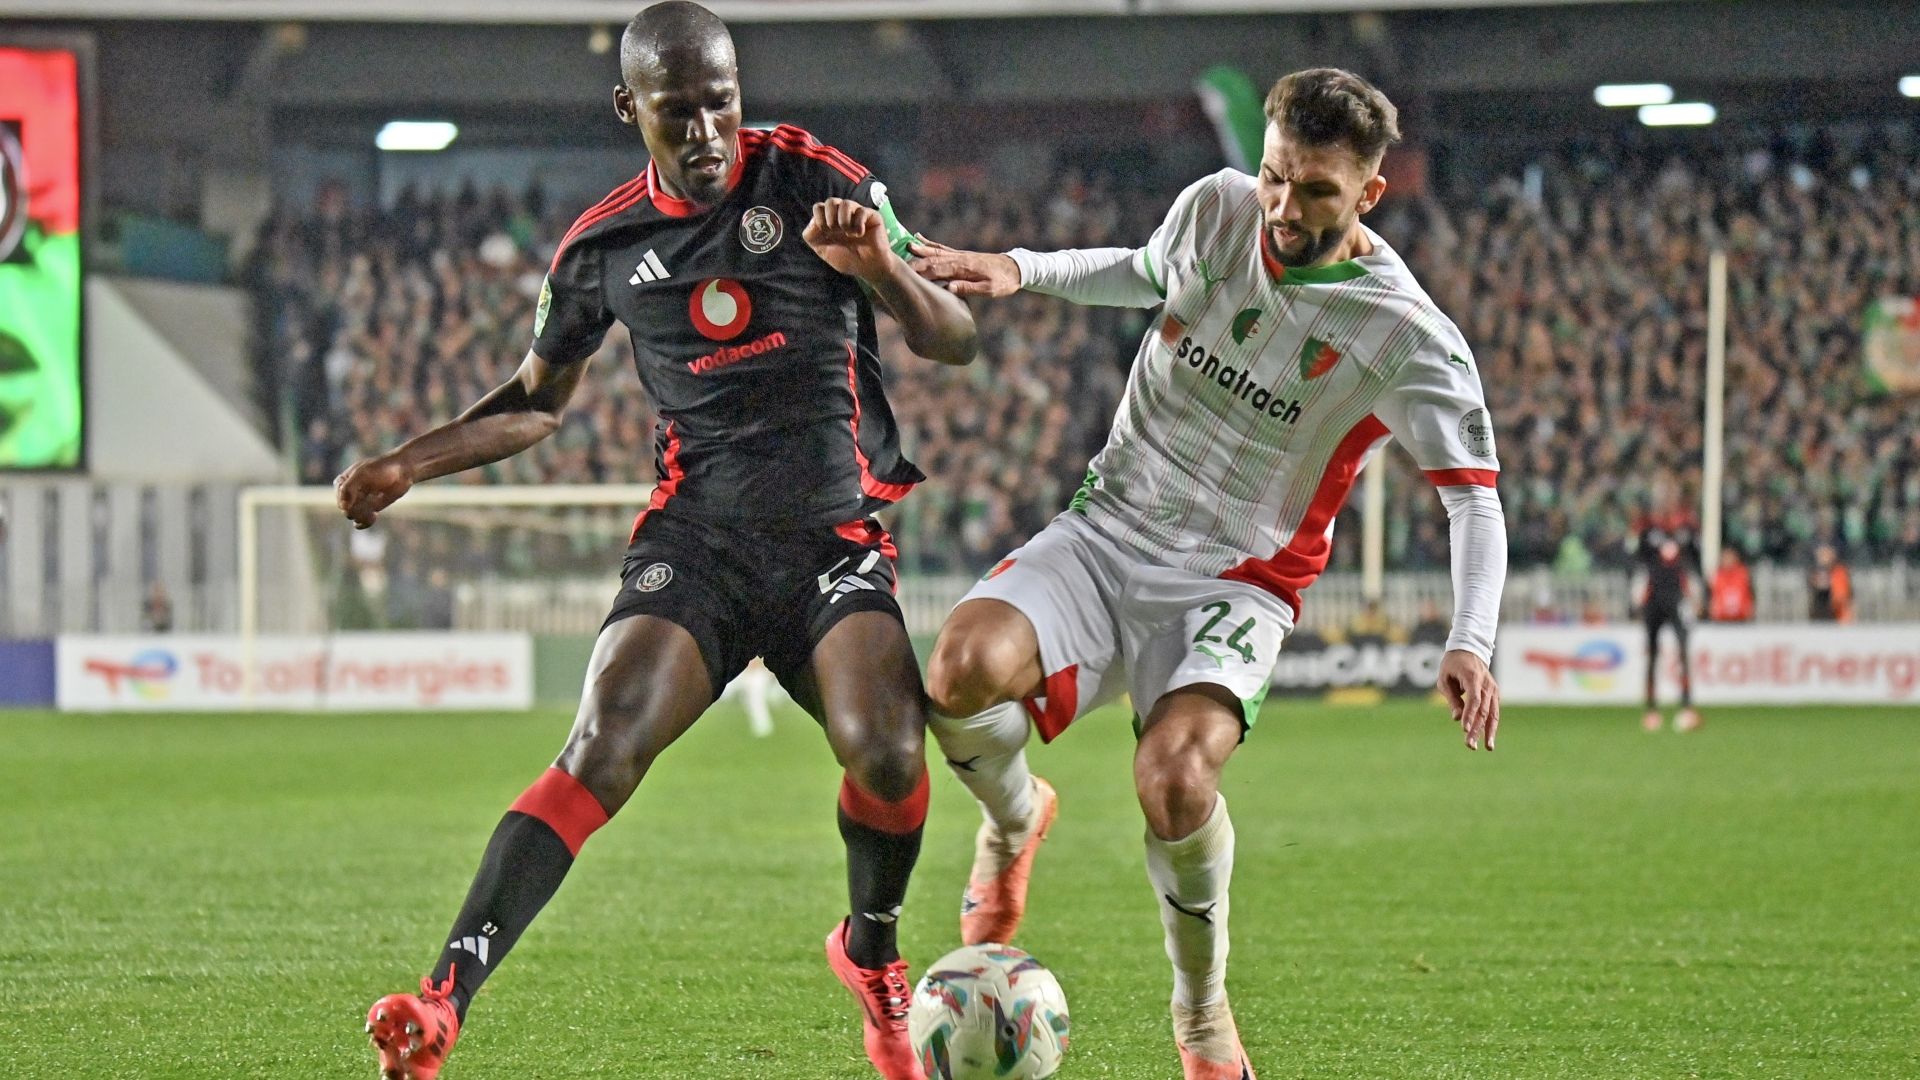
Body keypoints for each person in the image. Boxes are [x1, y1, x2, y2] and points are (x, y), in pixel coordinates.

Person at [336, 6, 976, 1079]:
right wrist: (411, 462)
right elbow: (537, 401)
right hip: (700, 544)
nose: (707, 131)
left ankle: (870, 955)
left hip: (830, 541)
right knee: (601, 744)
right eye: (678, 111)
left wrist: (882, 268)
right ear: (630, 107)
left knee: (889, 752)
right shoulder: (602, 246)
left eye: (722, 102)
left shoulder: (817, 180)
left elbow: (953, 338)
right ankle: (443, 1001)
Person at [907, 68, 1506, 1080]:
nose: (1283, 206)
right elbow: (1142, 270)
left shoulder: (1406, 336)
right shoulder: (1218, 208)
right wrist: (1019, 269)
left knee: (1175, 780)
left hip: (1239, 579)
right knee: (959, 668)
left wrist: (1471, 642)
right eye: (1275, 175)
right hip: (1109, 528)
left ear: (1370, 193)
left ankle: (1201, 1013)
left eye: (1316, 190)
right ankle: (1013, 821)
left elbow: (1474, 499)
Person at [1628, 495, 1703, 732]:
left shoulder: (1686, 533)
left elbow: (1693, 567)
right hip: (1653, 601)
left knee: (1683, 651)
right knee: (1652, 654)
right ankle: (1651, 709)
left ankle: (1686, 706)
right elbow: (1638, 565)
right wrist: (1637, 601)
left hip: (1677, 599)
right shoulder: (1647, 533)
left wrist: (1696, 598)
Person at [1808, 543, 1854, 622]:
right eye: (1822, 555)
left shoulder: (1840, 572)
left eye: (1827, 554)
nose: (1824, 558)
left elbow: (1843, 597)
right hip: (1819, 614)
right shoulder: (1814, 571)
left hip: (1837, 616)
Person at [1708, 546, 1753, 623]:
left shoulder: (1743, 574)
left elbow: (1750, 595)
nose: (1728, 560)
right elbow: (1712, 598)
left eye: (1730, 557)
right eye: (1726, 557)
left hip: (1741, 620)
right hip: (1721, 620)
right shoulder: (1717, 576)